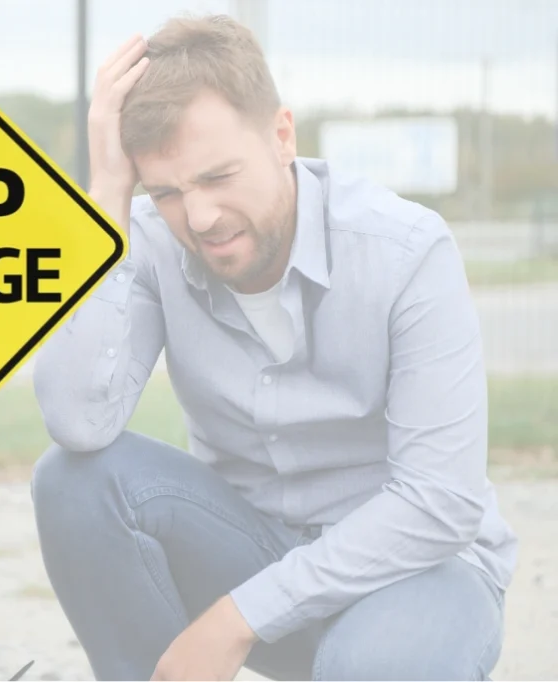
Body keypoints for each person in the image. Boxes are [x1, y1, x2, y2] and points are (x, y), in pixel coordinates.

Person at [29, 13, 518, 682]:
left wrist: (237, 620)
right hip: (249, 550)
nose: (198, 217)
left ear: (282, 135)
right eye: (166, 191)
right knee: (74, 482)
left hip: (413, 574)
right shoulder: (148, 240)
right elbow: (77, 421)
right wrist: (109, 196)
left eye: (217, 177)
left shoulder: (406, 251)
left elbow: (440, 504)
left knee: (369, 667)